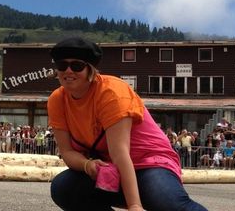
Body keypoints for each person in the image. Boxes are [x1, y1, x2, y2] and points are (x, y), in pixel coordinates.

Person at [47, 37, 206, 211]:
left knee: (167, 203)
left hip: (150, 162)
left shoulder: (111, 92)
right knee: (63, 188)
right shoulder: (57, 100)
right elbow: (67, 152)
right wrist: (87, 165)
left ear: (90, 70)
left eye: (76, 66)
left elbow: (120, 153)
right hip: (111, 169)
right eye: (62, 66)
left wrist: (134, 205)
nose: (68, 71)